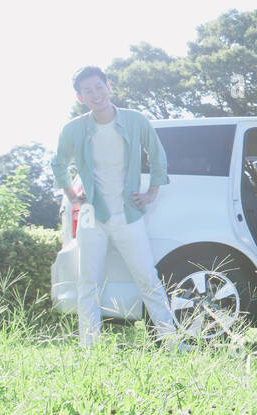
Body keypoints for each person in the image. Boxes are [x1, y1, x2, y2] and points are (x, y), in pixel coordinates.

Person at [51, 66, 189, 351]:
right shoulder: (73, 129)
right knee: (88, 282)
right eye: (87, 90)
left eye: (98, 87)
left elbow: (157, 153)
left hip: (128, 214)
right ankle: (90, 346)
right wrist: (72, 195)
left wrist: (151, 192)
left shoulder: (135, 120)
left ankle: (171, 341)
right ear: (80, 96)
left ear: (108, 87)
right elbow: (59, 163)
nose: (95, 94)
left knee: (147, 278)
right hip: (92, 216)